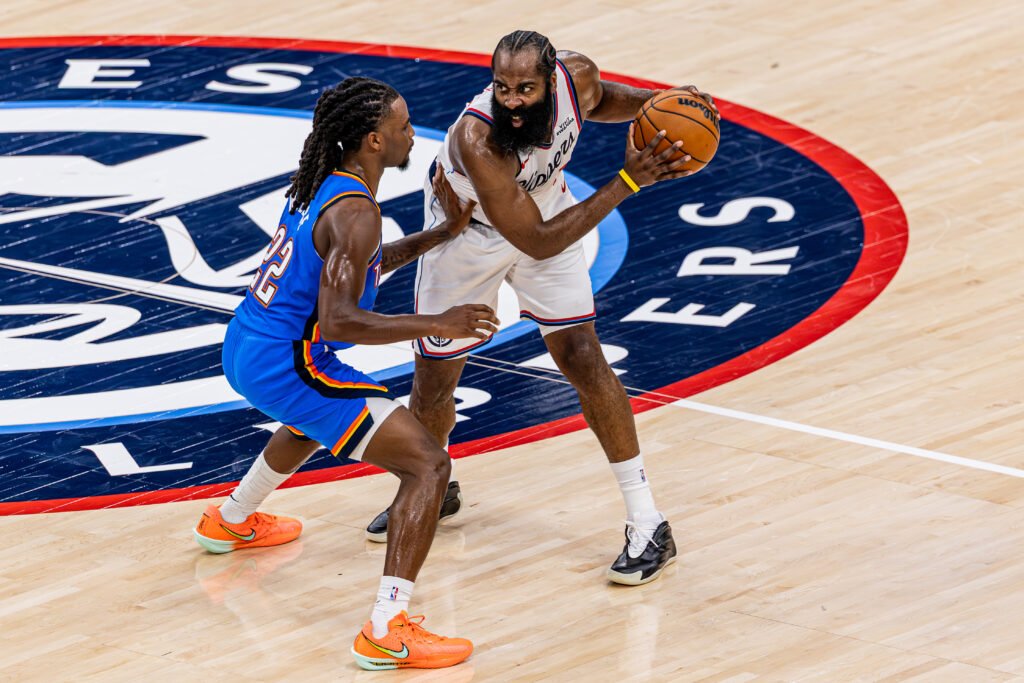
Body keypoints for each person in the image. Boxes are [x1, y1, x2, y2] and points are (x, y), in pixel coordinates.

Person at [364, 30, 714, 587]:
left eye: (525, 87)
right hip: (467, 235)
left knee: (581, 356)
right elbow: (538, 242)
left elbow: (604, 100)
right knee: (433, 385)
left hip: (549, 212)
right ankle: (432, 483)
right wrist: (628, 180)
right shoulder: (479, 141)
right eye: (502, 87)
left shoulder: (578, 78)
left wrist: (661, 104)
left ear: (552, 78)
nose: (512, 100)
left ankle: (648, 522)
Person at [191, 76, 499, 671]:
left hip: (248, 343)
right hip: (291, 359)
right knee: (428, 465)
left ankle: (229, 520)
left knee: (319, 420)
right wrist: (442, 320)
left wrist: (438, 234)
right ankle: (386, 630)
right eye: (405, 126)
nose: (414, 134)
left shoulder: (322, 186)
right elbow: (338, 322)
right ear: (374, 141)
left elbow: (355, 265)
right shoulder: (358, 211)